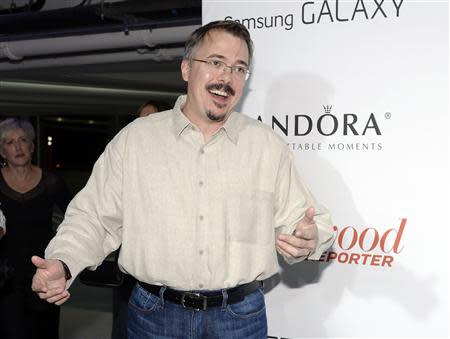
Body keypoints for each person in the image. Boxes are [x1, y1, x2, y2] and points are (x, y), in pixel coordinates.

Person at [31, 20, 336, 338]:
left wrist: (309, 238)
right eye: (216, 62)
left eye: (238, 68)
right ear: (187, 69)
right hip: (154, 316)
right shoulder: (136, 141)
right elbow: (93, 217)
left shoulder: (267, 146)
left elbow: (309, 222)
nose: (226, 78)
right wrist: (63, 261)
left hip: (240, 318)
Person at [0, 118, 72, 339]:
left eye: (23, 140)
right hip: (5, 277)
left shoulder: (51, 182)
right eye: (10, 142)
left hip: (43, 272)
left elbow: (76, 218)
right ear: (2, 151)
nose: (18, 147)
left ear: (32, 146)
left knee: (45, 331)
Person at [111, 99, 170, 339]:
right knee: (122, 326)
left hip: (163, 279)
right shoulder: (125, 163)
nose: (141, 127)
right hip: (130, 271)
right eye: (139, 120)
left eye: (149, 121)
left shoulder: (175, 168)